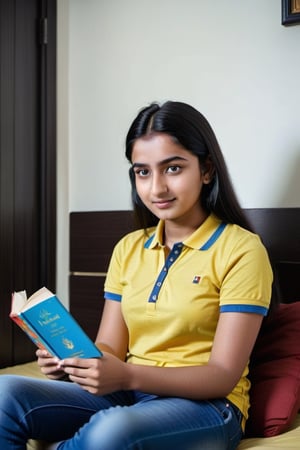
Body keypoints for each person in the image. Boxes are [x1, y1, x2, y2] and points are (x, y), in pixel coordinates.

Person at [0, 101, 273, 450]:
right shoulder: (128, 248)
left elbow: (222, 375)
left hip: (207, 407)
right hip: (126, 393)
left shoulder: (242, 250)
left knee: (110, 432)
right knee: (5, 395)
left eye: (172, 168)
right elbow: (110, 347)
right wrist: (73, 363)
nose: (156, 188)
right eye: (142, 172)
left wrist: (128, 374)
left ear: (206, 170)